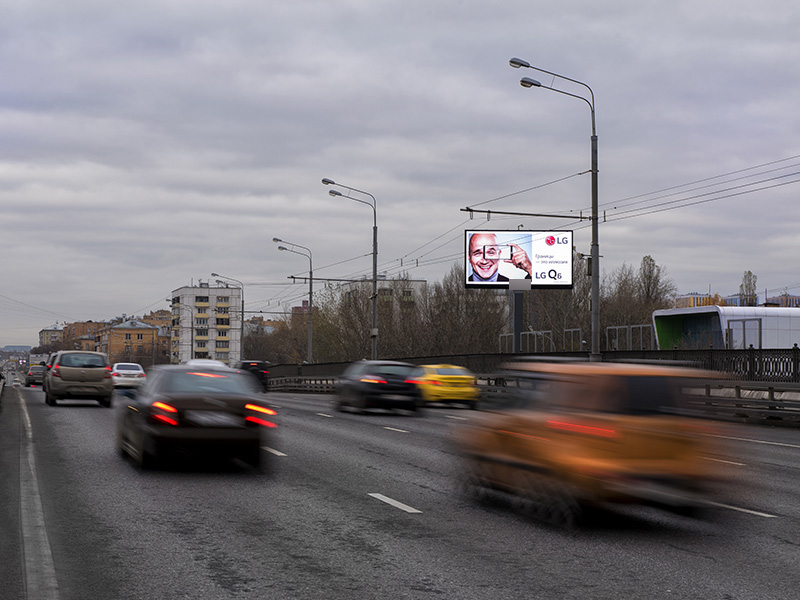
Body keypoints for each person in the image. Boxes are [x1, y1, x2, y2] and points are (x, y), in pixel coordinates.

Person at [468, 232, 532, 282]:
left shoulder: (507, 283)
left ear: (499, 255)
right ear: (469, 257)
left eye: (490, 253)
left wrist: (530, 269)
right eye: (477, 253)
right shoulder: (464, 283)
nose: (484, 261)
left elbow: (527, 286)